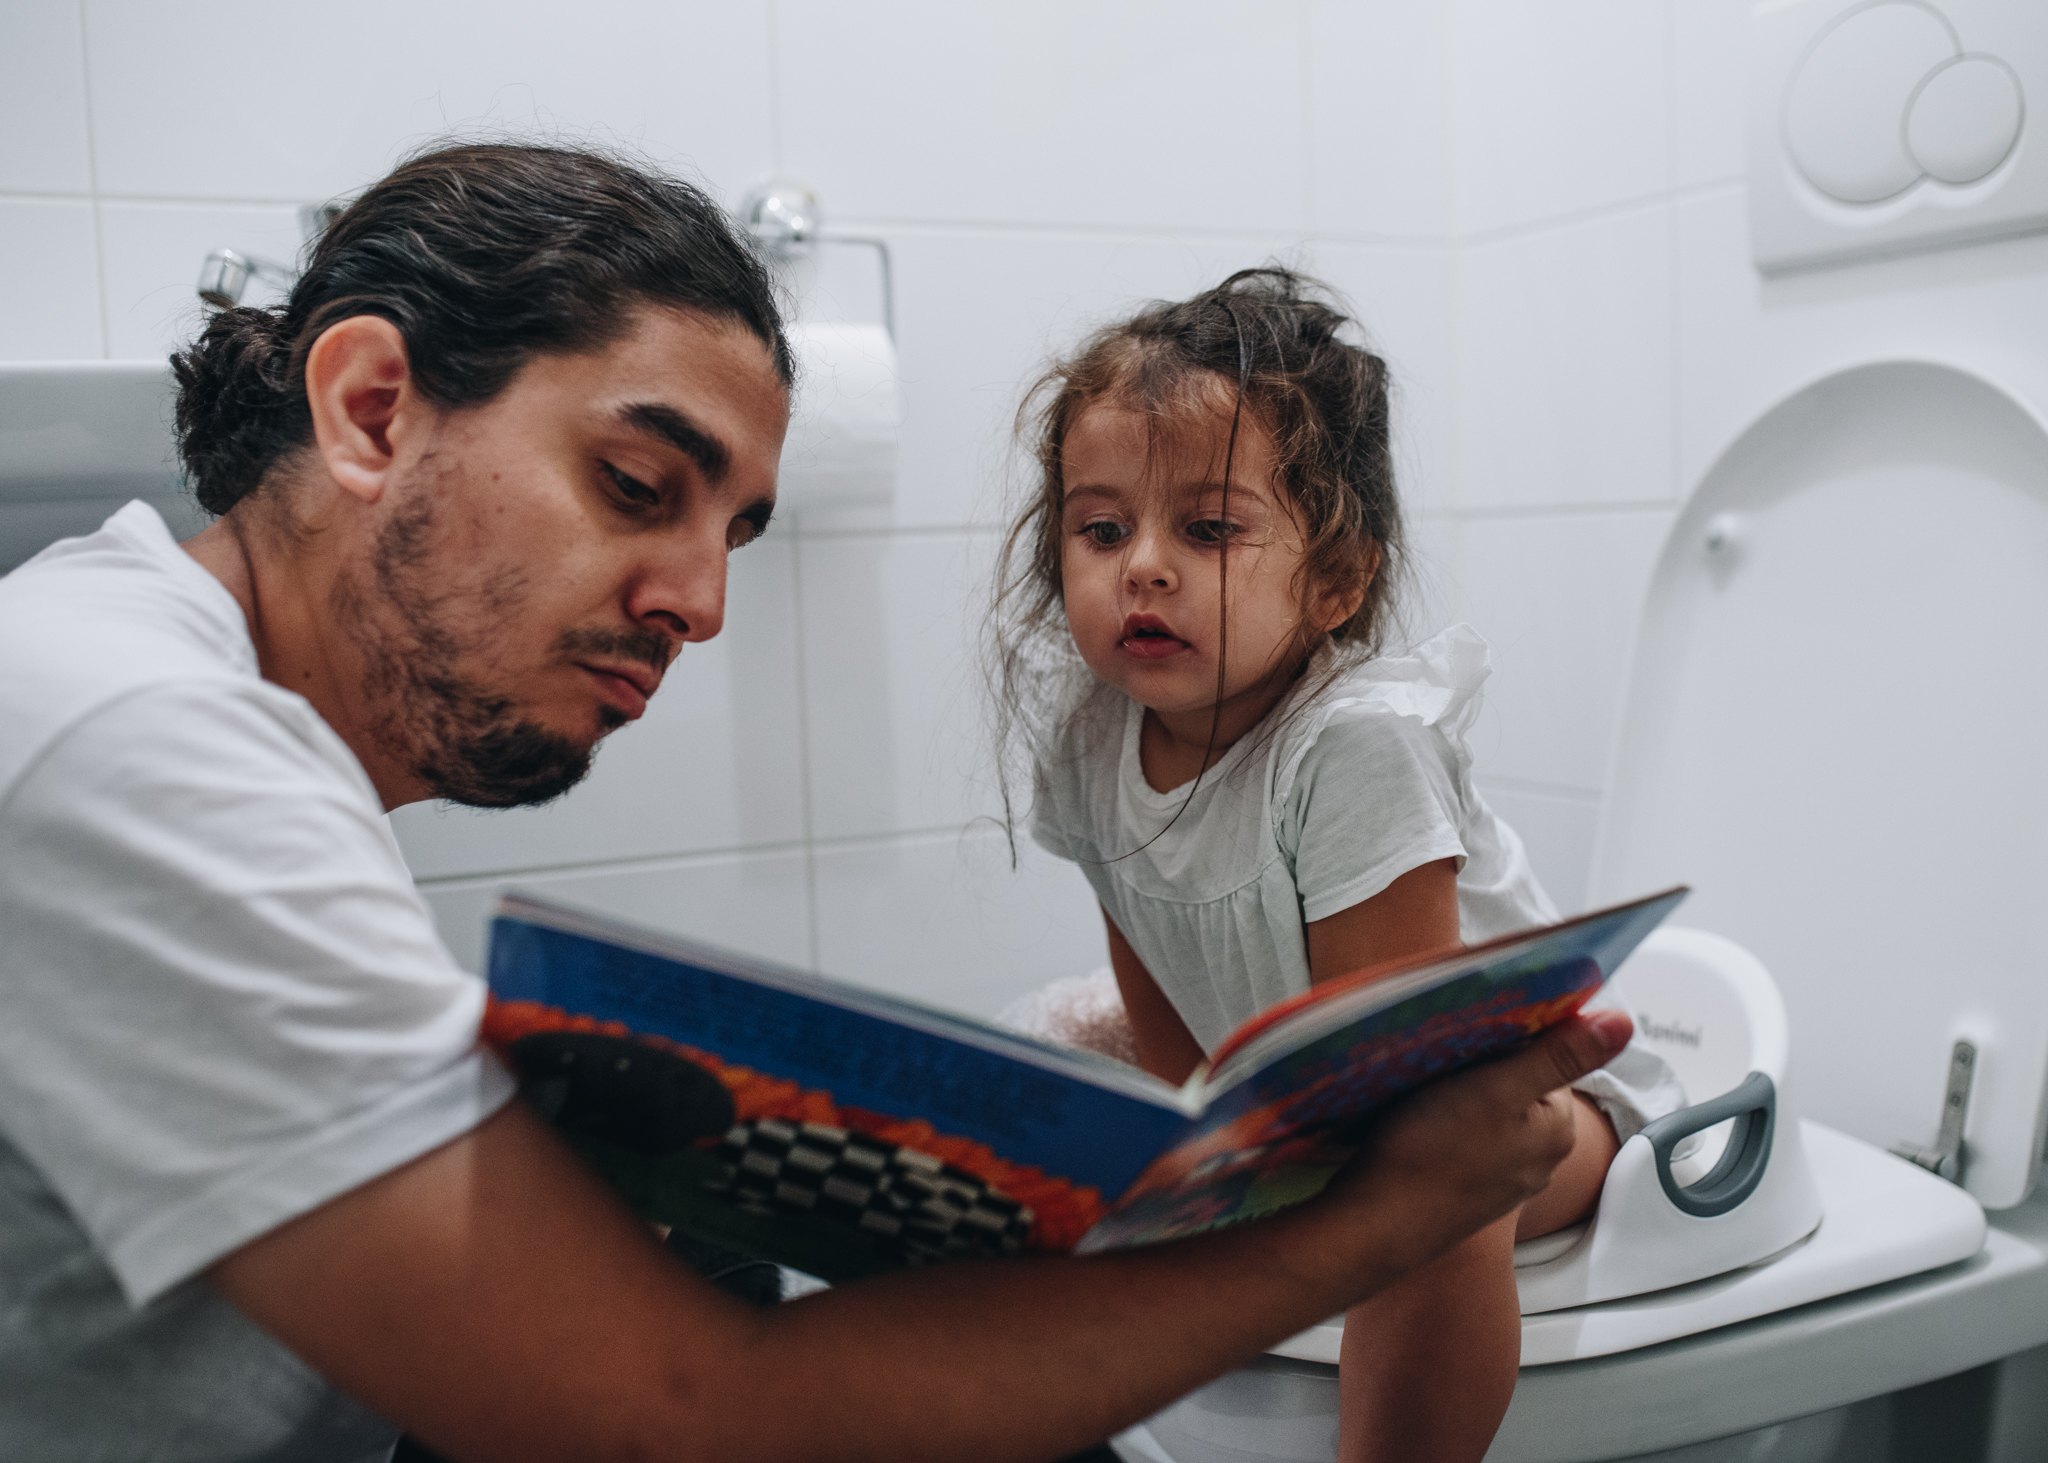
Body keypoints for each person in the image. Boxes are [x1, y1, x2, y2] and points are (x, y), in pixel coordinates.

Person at [0, 144, 1632, 1463]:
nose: (699, 604)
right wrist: (1380, 1214)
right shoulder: (138, 740)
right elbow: (678, 1419)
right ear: (368, 409)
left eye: (735, 532)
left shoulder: (153, 672)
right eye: (639, 488)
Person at [994, 268, 1684, 1463]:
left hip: (1516, 1114)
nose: (1141, 565)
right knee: (1049, 1093)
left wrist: (1291, 1199)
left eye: (1207, 529)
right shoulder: (1091, 737)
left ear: (1333, 581)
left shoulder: (1356, 746)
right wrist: (1216, 1151)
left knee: (1429, 1182)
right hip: (1304, 1103)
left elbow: (1407, 1064)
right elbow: (1150, 970)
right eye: (1101, 529)